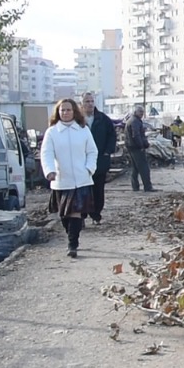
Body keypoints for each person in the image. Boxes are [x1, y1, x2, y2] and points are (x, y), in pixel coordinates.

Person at [40, 98, 98, 258]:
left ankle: (73, 244)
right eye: (62, 110)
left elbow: (92, 151)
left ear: (74, 112)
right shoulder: (52, 132)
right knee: (64, 215)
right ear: (58, 112)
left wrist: (89, 168)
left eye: (68, 110)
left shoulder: (83, 130)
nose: (65, 113)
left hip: (81, 179)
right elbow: (46, 153)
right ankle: (71, 234)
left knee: (76, 212)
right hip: (61, 179)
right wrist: (50, 171)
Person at [80, 92, 116, 224]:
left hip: (100, 160)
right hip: (81, 162)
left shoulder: (103, 119)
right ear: (81, 104)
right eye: (87, 101)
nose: (90, 104)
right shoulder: (77, 121)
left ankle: (96, 215)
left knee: (98, 190)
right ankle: (81, 216)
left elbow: (112, 136)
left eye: (91, 101)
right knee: (82, 191)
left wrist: (107, 151)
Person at [125, 104, 158, 192]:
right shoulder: (135, 121)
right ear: (135, 112)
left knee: (135, 168)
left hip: (131, 147)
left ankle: (135, 187)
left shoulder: (132, 120)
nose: (142, 114)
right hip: (136, 147)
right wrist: (142, 146)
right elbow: (136, 135)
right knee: (144, 168)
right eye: (140, 112)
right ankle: (147, 187)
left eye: (143, 112)